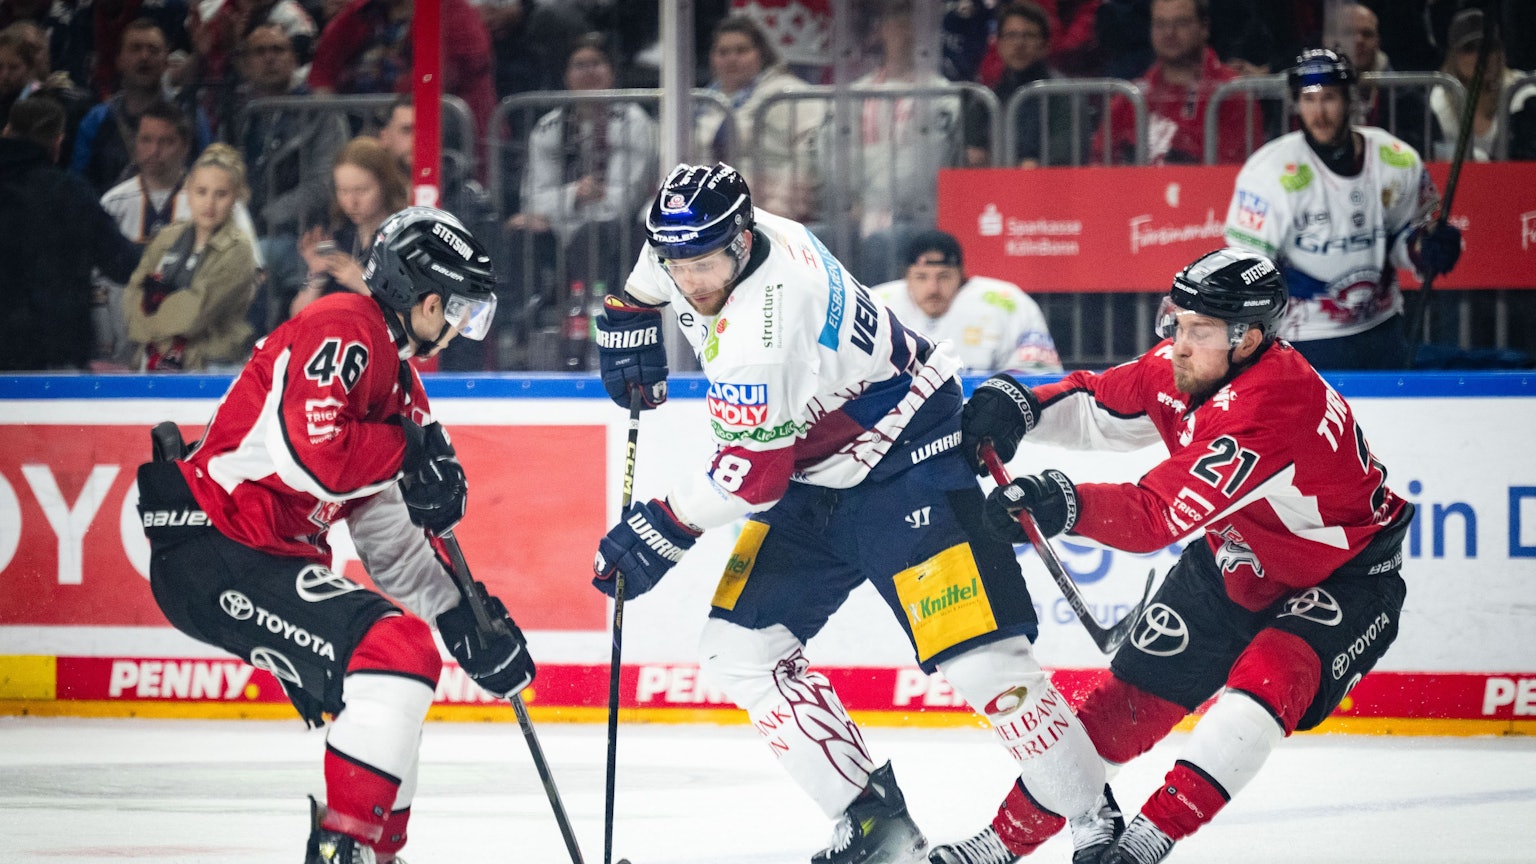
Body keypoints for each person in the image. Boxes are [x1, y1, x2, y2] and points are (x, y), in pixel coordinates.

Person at [590, 163, 1110, 864]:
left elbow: (752, 480)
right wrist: (628, 310)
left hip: (909, 462)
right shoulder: (715, 237)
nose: (689, 282)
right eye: (676, 265)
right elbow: (655, 271)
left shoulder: (764, 331)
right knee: (740, 650)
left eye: (703, 265)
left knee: (984, 663)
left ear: (742, 241)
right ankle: (874, 822)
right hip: (815, 474)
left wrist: (663, 525)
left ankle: (1095, 820)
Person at [954, 247, 1415, 864]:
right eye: (1177, 321)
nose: (1178, 343)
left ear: (1248, 339)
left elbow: (1154, 517)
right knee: (1122, 708)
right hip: (1234, 562)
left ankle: (1146, 841)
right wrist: (1024, 406)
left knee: (1259, 692)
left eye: (1199, 330)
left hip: (1344, 579)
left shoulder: (1272, 405)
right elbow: (1098, 407)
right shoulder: (1194, 363)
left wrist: (1063, 501)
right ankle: (999, 844)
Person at [134, 205, 531, 864]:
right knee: (398, 653)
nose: (462, 326)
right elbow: (312, 454)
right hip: (217, 544)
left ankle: (372, 850)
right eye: (461, 309)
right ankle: (344, 849)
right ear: (428, 300)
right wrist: (406, 451)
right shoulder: (344, 326)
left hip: (262, 556)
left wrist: (463, 613)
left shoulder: (402, 389)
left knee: (403, 666)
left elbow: (389, 543)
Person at [1222, 48, 1461, 370]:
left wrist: (1425, 248)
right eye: (1309, 99)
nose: (1319, 113)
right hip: (1303, 337)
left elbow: (1403, 240)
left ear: (1350, 99)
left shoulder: (1395, 158)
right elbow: (1247, 270)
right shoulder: (1267, 173)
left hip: (1381, 328)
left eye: (1329, 98)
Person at [0, 97, 139, 370]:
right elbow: (121, 263)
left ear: (6, 131)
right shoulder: (68, 193)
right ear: (57, 143)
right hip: (54, 352)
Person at [122, 143, 258, 370]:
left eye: (221, 194)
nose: (209, 203)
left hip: (210, 366)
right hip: (151, 362)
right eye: (201, 192)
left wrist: (149, 317)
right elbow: (131, 300)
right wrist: (152, 321)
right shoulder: (166, 237)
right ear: (188, 191)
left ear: (236, 196)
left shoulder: (239, 249)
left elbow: (193, 315)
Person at [871, 229, 1062, 375]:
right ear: (906, 276)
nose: (933, 289)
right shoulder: (877, 304)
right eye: (921, 277)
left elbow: (1038, 374)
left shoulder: (1007, 302)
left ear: (962, 274)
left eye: (944, 277)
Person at [1093, 0, 1262, 165]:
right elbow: (1099, 165)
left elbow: (1236, 172)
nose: (1169, 33)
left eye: (1181, 23)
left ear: (1204, 27)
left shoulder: (1233, 94)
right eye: (1160, 24)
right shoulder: (1130, 97)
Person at [695, 15, 821, 222]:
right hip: (711, 213)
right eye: (723, 52)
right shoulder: (703, 102)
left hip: (771, 213)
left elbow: (807, 156)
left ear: (761, 53)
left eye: (741, 50)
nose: (731, 59)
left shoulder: (788, 93)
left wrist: (778, 212)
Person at [290, 135, 407, 319]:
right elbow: (299, 317)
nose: (351, 202)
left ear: (385, 185)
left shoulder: (405, 239)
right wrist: (316, 274)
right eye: (343, 191)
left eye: (362, 191)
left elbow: (413, 322)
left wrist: (363, 283)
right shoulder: (340, 237)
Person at [965, 2, 1089, 169]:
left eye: (1029, 35)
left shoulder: (1064, 95)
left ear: (1045, 45)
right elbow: (967, 155)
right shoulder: (986, 100)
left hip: (1048, 184)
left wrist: (1034, 167)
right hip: (994, 184)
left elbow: (1065, 155)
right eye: (1011, 35)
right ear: (999, 44)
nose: (1019, 44)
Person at [1429, 7, 1532, 163]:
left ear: (1501, 52)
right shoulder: (1439, 97)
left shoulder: (1522, 92)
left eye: (1489, 47)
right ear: (1453, 56)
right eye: (1470, 49)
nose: (1482, 57)